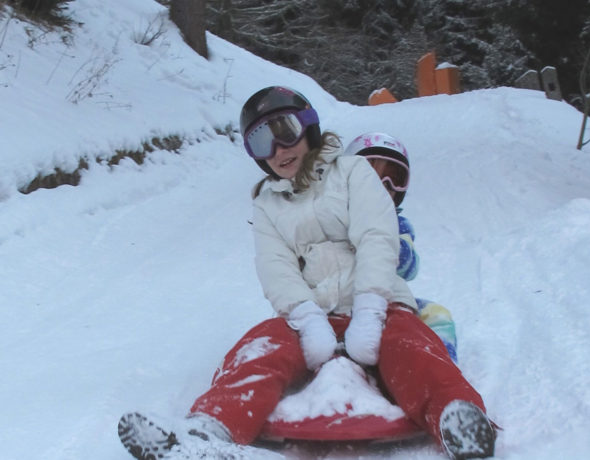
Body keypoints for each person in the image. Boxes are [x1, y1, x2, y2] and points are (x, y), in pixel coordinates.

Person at [119, 87, 495, 460]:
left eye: (285, 130)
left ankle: (456, 417)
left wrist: (371, 306)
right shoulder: (267, 205)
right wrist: (305, 315)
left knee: (411, 348)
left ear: (309, 128)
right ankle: (206, 430)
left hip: (379, 303)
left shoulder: (351, 172)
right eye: (262, 140)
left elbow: (377, 237)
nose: (279, 149)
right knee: (260, 349)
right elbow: (275, 265)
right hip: (311, 312)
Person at [344, 132, 458, 363]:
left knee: (437, 315)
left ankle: (439, 363)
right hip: (342, 300)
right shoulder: (336, 219)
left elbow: (409, 268)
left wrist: (387, 242)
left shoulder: (398, 225)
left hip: (391, 301)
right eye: (370, 178)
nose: (382, 187)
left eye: (392, 180)